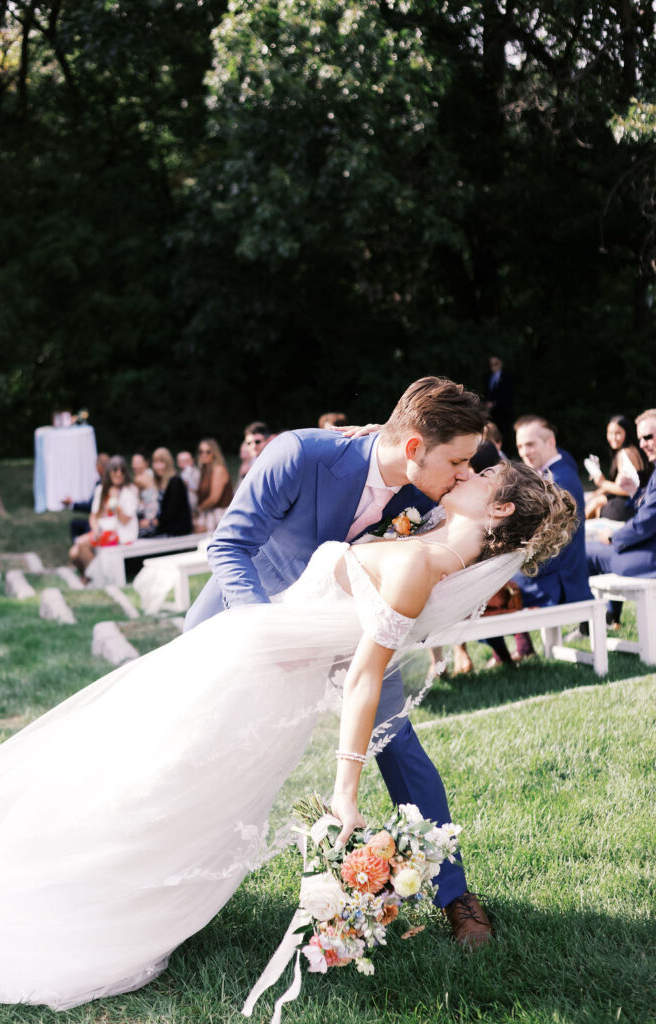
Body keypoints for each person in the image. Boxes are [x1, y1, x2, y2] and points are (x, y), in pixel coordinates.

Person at [0, 458, 575, 1010]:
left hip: (254, 674)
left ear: (498, 511)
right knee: (145, 767)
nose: (467, 470)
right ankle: (75, 875)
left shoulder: (425, 563)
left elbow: (366, 676)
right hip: (247, 648)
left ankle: (72, 893)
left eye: (484, 473)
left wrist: (346, 788)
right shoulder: (432, 537)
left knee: (157, 774)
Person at [186, 377, 497, 944]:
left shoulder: (436, 478)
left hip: (352, 625)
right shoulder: (299, 453)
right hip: (250, 611)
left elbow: (502, 482)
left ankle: (454, 893)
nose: (463, 474)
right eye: (456, 461)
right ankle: (175, 874)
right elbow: (230, 546)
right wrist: (269, 634)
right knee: (200, 740)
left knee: (398, 741)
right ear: (412, 449)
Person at [486, 415, 591, 663]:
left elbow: (558, 544)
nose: (524, 452)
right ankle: (516, 650)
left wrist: (517, 566)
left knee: (489, 591)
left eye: (531, 444)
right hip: (549, 568)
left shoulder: (561, 479)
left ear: (550, 441)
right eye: (521, 446)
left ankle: (511, 654)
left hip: (558, 579)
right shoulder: (553, 471)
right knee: (491, 580)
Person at [586, 408, 656, 626]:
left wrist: (615, 537)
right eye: (640, 439)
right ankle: (610, 618)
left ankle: (590, 626)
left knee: (584, 552)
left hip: (654, 559)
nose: (644, 444)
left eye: (648, 436)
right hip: (652, 548)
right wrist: (634, 493)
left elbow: (645, 524)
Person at [68, 456, 139, 580]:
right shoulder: (101, 490)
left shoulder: (130, 491)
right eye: (115, 471)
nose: (119, 474)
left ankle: (95, 579)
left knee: (81, 543)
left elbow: (125, 520)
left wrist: (115, 502)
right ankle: (93, 577)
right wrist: (95, 530)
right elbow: (93, 516)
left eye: (122, 471)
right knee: (73, 553)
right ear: (109, 473)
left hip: (121, 533)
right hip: (103, 530)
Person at [585, 415, 647, 522]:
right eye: (610, 433)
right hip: (636, 502)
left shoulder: (625, 454)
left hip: (626, 508)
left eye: (618, 433)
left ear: (626, 433)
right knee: (596, 499)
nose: (613, 437)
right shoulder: (632, 449)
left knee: (595, 504)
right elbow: (618, 484)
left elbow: (626, 490)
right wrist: (598, 491)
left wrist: (602, 482)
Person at [138, 448, 192, 538]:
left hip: (175, 531)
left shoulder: (175, 481)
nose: (157, 466)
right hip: (164, 527)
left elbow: (171, 512)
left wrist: (152, 522)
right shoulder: (160, 482)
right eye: (155, 462)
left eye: (161, 462)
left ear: (168, 463)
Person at [65, 452, 110, 543]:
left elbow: (91, 506)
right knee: (75, 523)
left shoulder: (101, 484)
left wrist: (72, 504)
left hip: (101, 521)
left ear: (99, 467)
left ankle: (80, 549)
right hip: (99, 518)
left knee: (84, 526)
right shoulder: (101, 482)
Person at [193, 438, 233, 533]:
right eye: (201, 451)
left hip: (220, 514)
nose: (204, 454)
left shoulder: (218, 469)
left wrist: (198, 509)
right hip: (209, 513)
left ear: (214, 453)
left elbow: (214, 498)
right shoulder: (204, 471)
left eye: (208, 452)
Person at [483, 356, 514, 445]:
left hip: (503, 412)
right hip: (491, 413)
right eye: (491, 364)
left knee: (502, 434)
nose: (493, 367)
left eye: (495, 364)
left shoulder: (507, 377)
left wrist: (494, 403)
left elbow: (508, 395)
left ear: (501, 363)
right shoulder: (488, 377)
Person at [132, 450, 159, 527]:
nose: (134, 466)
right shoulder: (151, 473)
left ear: (145, 463)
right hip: (149, 514)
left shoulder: (139, 478)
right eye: (133, 463)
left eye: (137, 463)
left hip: (150, 517)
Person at [176, 450, 201, 515]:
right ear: (178, 464)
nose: (185, 463)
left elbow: (196, 489)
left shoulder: (197, 473)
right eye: (182, 461)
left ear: (192, 461)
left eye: (187, 461)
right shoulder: (181, 474)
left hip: (195, 507)